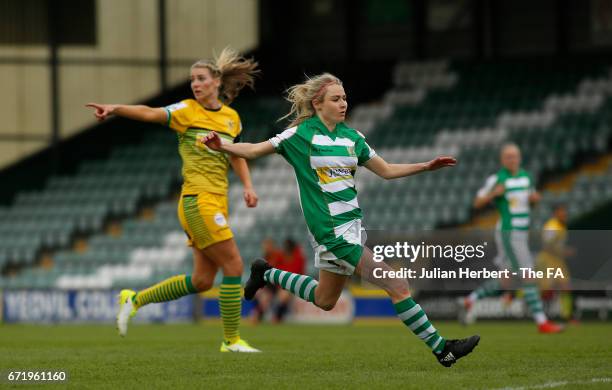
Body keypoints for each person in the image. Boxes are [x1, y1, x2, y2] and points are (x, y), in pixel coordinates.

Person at [202, 73, 480, 367]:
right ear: (318, 104)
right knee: (397, 284)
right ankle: (442, 349)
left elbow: (385, 170)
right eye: (336, 99)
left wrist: (425, 165)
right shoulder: (301, 135)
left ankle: (266, 273)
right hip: (331, 233)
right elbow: (255, 149)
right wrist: (223, 146)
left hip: (353, 228)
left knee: (325, 299)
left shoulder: (353, 138)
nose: (343, 103)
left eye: (344, 97)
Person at [85, 48, 261, 352]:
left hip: (218, 201)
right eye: (192, 79)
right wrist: (115, 108)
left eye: (201, 79)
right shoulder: (187, 111)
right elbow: (150, 112)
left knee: (202, 281)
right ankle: (231, 341)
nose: (195, 84)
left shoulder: (232, 118)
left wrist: (248, 185)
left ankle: (134, 300)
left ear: (217, 81)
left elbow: (236, 154)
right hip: (198, 200)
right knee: (234, 265)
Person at [461, 143, 563, 333]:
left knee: (506, 280)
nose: (511, 160)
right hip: (510, 233)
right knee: (528, 275)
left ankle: (470, 299)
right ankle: (542, 322)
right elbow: (476, 203)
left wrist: (534, 201)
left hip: (522, 233)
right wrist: (493, 194)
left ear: (519, 158)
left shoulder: (527, 177)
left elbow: (529, 204)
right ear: (502, 160)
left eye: (514, 156)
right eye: (508, 157)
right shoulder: (497, 179)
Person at [536, 203, 576, 323]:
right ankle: (538, 314)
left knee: (566, 287)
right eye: (561, 212)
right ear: (556, 213)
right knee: (544, 290)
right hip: (547, 260)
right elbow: (546, 246)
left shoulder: (561, 226)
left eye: (565, 212)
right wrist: (564, 251)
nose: (564, 214)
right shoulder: (551, 226)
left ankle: (568, 316)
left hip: (557, 261)